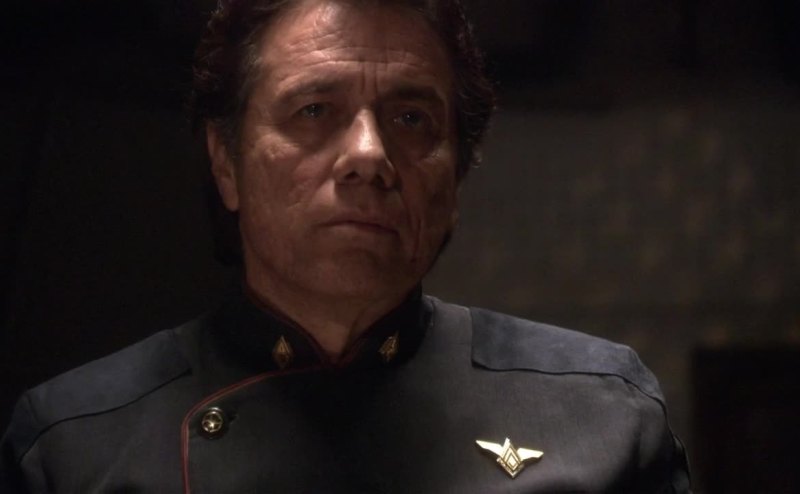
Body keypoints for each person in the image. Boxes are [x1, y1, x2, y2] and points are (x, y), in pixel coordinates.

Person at [0, 0, 691, 492]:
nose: (369, 154)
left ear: (455, 177)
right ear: (226, 163)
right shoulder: (73, 444)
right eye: (313, 110)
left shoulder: (601, 415)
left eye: (411, 118)